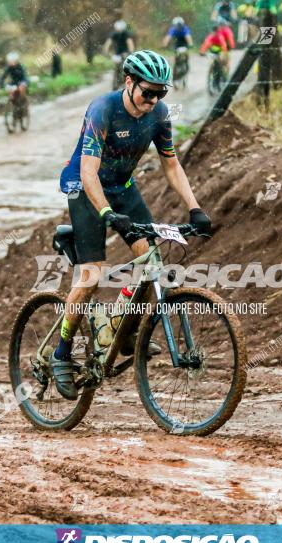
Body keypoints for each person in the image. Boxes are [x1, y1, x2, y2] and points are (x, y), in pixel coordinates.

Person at [52, 50, 212, 400]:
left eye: (160, 94)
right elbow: (88, 170)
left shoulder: (158, 115)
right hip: (84, 186)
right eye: (147, 92)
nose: (152, 100)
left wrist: (195, 207)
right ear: (128, 82)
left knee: (151, 261)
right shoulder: (103, 110)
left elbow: (171, 165)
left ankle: (124, 333)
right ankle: (61, 354)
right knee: (92, 273)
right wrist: (106, 213)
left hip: (123, 188)